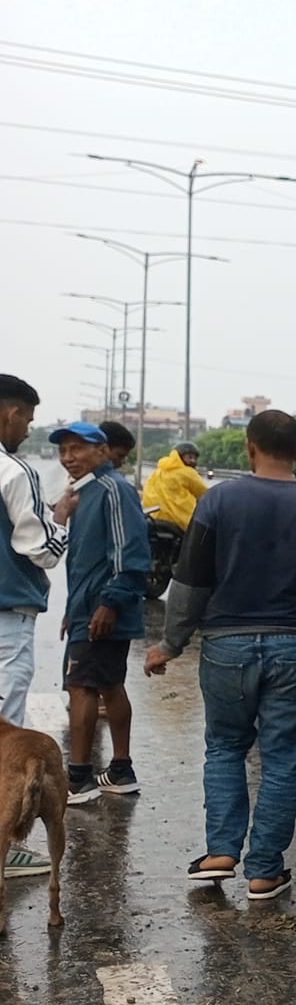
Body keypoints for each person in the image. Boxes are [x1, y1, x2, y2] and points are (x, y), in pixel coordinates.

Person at [143, 410, 296, 902]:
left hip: (227, 645)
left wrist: (171, 643)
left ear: (250, 447)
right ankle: (264, 870)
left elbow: (190, 582)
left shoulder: (218, 502)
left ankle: (221, 851)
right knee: (281, 760)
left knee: (226, 747)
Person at [49, 420, 149, 805]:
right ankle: (119, 769)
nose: (68, 458)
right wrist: (74, 610)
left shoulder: (113, 489)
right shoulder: (85, 491)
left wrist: (109, 602)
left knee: (82, 687)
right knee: (108, 684)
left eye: (77, 448)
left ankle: (78, 778)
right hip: (89, 608)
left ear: (102, 450)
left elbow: (130, 554)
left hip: (104, 608)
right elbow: (86, 561)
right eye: (63, 450)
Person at [0, 375, 67, 877]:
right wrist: (60, 518)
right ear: (8, 412)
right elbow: (39, 548)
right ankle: (8, 842)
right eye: (25, 415)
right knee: (5, 733)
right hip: (7, 619)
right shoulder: (15, 471)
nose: (27, 427)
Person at [140, 440, 208, 531]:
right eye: (189, 457)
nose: (193, 461)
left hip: (155, 518)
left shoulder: (157, 472)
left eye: (195, 458)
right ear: (179, 456)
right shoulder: (188, 472)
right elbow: (206, 494)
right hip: (181, 522)